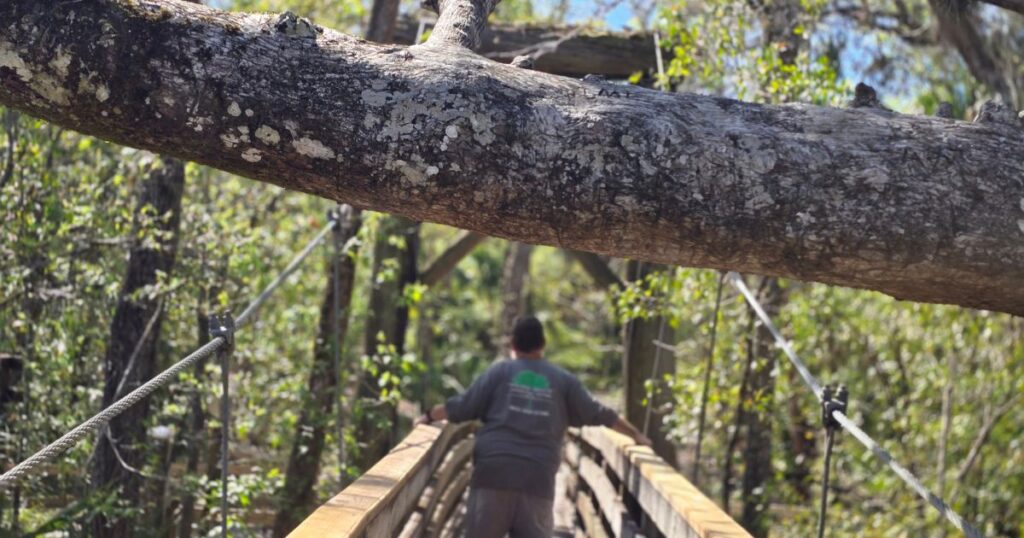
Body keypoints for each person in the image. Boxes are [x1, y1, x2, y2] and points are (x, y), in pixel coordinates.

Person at [415, 315, 652, 538]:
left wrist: (428, 415)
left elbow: (462, 406)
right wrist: (636, 435)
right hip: (537, 478)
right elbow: (600, 413)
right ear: (543, 344)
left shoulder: (499, 372)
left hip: (493, 472)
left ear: (513, 344)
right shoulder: (563, 381)